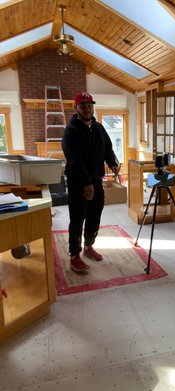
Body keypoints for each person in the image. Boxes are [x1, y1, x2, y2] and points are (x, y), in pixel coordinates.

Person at [62, 92, 119, 273]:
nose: (87, 109)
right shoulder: (71, 131)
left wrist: (112, 163)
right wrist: (87, 183)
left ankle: (88, 247)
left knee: (95, 215)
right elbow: (74, 160)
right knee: (78, 218)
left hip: (96, 180)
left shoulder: (99, 127)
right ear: (76, 108)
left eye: (89, 105)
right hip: (79, 182)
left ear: (92, 107)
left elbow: (107, 148)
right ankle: (74, 255)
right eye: (83, 106)